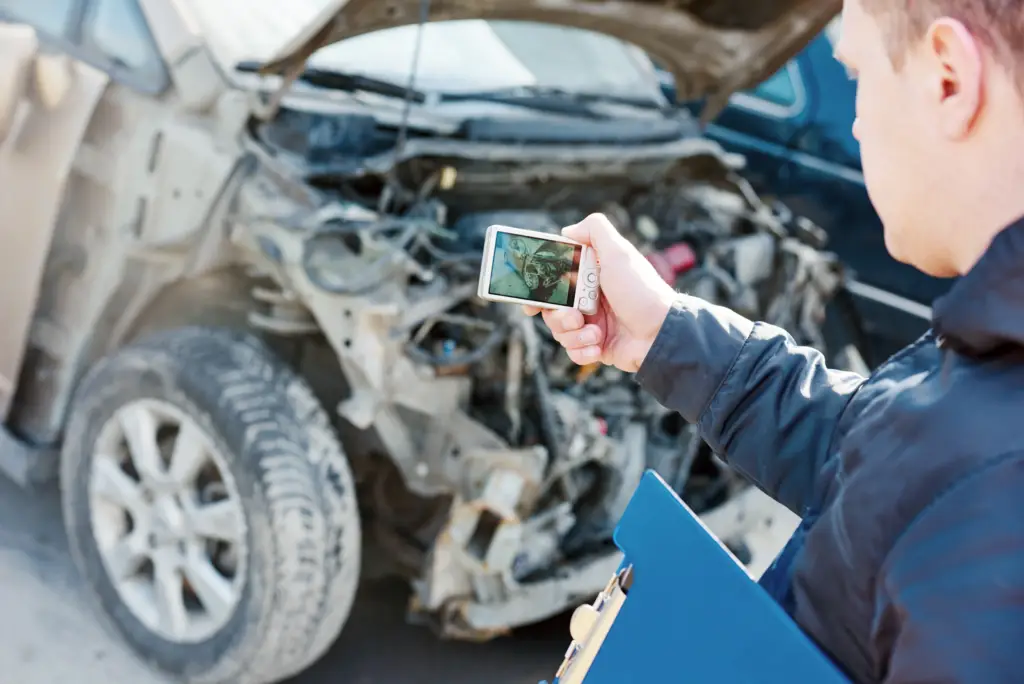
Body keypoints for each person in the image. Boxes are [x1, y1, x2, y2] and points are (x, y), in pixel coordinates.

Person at [527, 0, 1024, 681]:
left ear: (947, 77)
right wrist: (662, 332)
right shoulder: (989, 385)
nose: (854, 120)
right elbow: (877, 460)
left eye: (856, 76)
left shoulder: (996, 511)